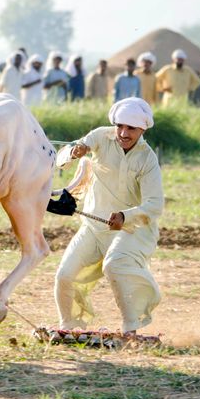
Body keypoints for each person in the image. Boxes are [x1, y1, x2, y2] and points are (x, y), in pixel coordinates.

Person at [54, 97, 163, 335]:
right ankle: (69, 327)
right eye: (120, 126)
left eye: (131, 128)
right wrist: (74, 152)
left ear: (142, 129)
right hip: (93, 226)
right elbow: (61, 159)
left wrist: (126, 216)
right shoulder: (100, 136)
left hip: (132, 230)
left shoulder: (148, 159)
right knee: (64, 275)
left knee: (115, 265)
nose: (123, 133)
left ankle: (130, 329)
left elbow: (155, 205)